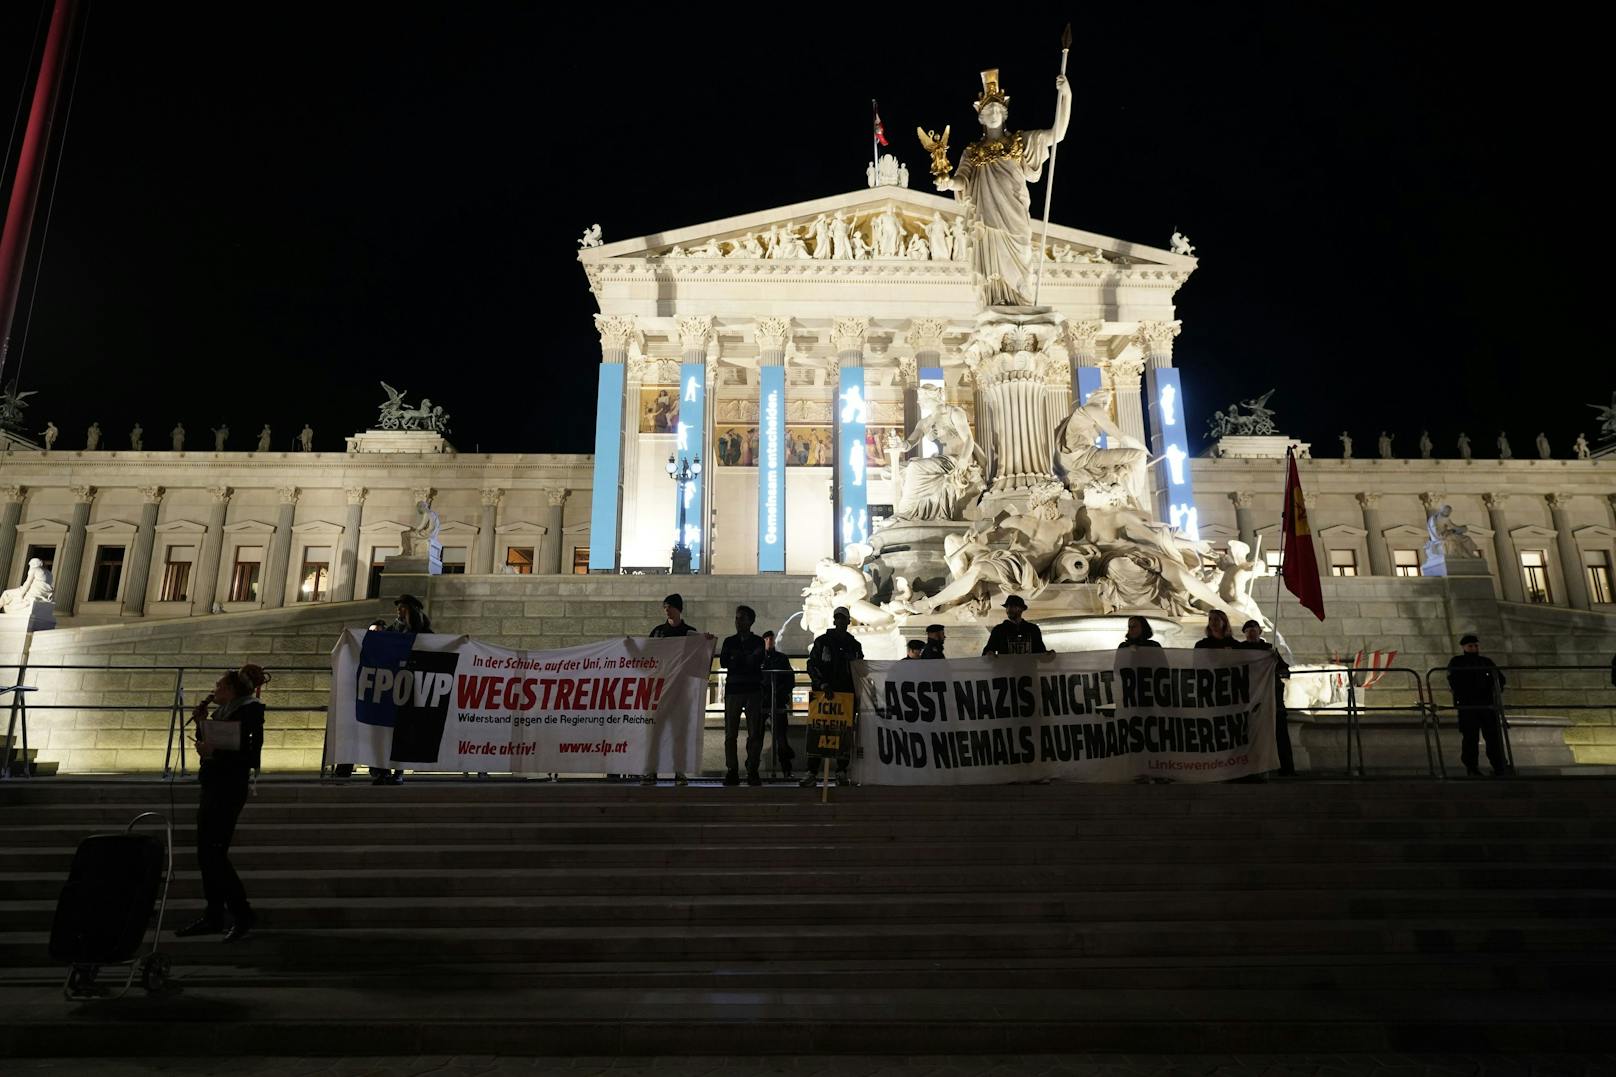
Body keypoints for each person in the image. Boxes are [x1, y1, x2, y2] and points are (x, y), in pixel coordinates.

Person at [175, 668, 265, 943]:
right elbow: (217, 744)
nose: (215, 689)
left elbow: (249, 755)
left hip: (229, 788)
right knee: (206, 852)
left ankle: (241, 912)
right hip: (213, 784)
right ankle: (214, 914)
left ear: (233, 690)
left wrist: (213, 752)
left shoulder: (249, 712)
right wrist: (202, 726)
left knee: (214, 853)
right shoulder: (222, 712)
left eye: (220, 685)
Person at [372, 596, 431, 785]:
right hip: (390, 686)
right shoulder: (393, 629)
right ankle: (382, 770)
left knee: (402, 732)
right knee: (384, 731)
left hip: (410, 687)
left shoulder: (424, 632)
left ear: (412, 610)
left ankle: (398, 770)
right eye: (398, 608)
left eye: (403, 608)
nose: (399, 612)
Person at [645, 593, 702, 785]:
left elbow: (699, 657)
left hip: (681, 691)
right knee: (654, 733)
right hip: (660, 690)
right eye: (665, 606)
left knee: (679, 734)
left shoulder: (690, 633)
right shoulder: (658, 632)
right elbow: (647, 656)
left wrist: (707, 641)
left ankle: (680, 772)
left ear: (678, 609)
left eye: (669, 606)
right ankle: (651, 771)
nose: (666, 609)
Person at [804, 606, 863, 786]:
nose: (840, 622)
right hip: (823, 695)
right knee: (818, 731)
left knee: (843, 733)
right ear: (834, 620)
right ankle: (812, 772)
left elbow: (860, 668)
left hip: (846, 695)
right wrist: (822, 684)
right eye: (837, 618)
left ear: (847, 621)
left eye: (843, 618)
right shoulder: (822, 642)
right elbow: (812, 664)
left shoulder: (854, 645)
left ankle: (841, 771)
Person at [1235, 620, 1295, 777]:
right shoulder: (1239, 650)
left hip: (1271, 696)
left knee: (1279, 730)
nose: (1251, 632)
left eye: (1253, 629)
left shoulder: (1269, 650)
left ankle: (1286, 768)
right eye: (1247, 630)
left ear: (1259, 632)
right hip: (1250, 698)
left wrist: (1276, 661)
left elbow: (1284, 670)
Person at [1446, 634, 1511, 777]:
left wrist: (1495, 691)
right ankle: (1472, 768)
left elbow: (1499, 679)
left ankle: (1500, 767)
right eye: (1471, 646)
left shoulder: (1485, 661)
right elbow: (1454, 682)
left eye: (1475, 645)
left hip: (1486, 704)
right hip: (1469, 705)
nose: (1474, 648)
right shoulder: (1457, 661)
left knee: (1493, 737)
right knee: (1471, 738)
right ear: (1463, 647)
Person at [719, 605, 768, 786]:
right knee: (731, 733)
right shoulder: (731, 641)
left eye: (742, 618)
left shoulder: (757, 642)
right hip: (737, 690)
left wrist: (737, 658)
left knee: (754, 732)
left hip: (750, 690)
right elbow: (725, 661)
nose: (738, 622)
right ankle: (733, 770)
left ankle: (752, 769)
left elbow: (755, 660)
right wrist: (745, 658)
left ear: (750, 621)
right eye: (737, 618)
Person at [760, 630, 796, 780]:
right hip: (762, 701)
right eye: (766, 639)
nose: (769, 641)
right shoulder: (758, 658)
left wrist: (781, 693)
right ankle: (753, 768)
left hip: (777, 700)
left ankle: (786, 769)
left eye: (770, 639)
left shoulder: (781, 659)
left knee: (781, 737)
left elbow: (790, 679)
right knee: (756, 736)